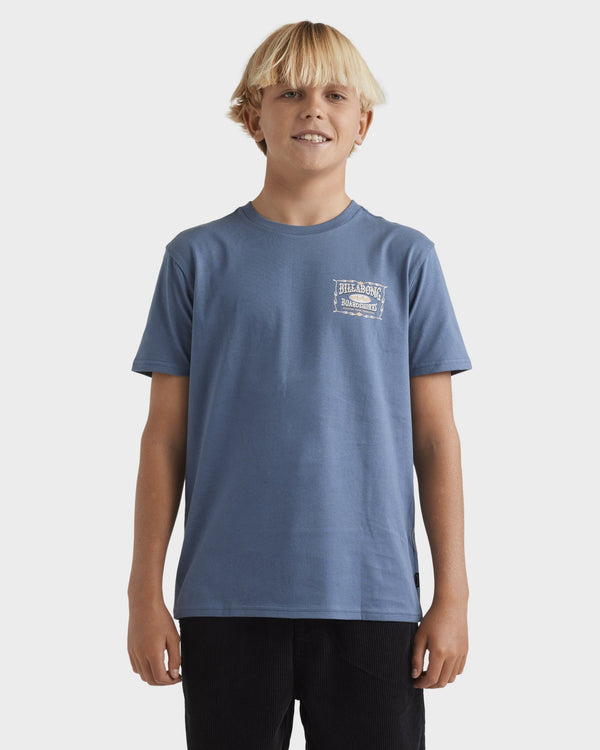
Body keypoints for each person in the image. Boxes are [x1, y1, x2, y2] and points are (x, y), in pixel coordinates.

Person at [127, 19, 472, 750]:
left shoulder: (405, 259)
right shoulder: (197, 259)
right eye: (289, 93)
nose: (313, 109)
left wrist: (453, 595)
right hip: (226, 599)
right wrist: (142, 592)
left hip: (371, 597)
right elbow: (164, 438)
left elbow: (436, 439)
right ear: (252, 117)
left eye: (335, 95)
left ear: (362, 124)